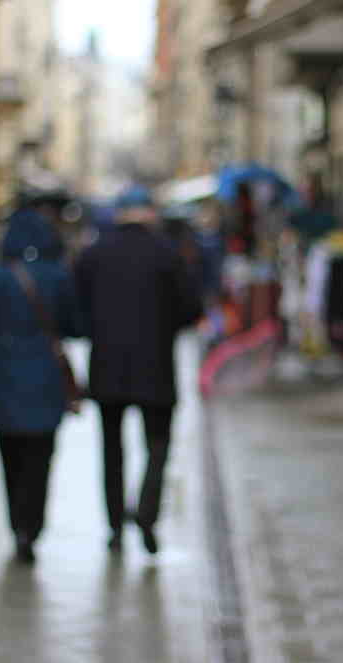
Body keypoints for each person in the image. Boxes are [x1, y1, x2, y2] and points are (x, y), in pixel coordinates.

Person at [75, 186, 203, 554]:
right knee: (158, 445)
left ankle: (114, 525)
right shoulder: (167, 253)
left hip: (107, 367)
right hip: (156, 367)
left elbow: (77, 310)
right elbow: (191, 309)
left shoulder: (94, 253)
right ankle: (147, 513)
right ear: (150, 213)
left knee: (111, 449)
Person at [0, 207, 80, 564]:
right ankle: (34, 525)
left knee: (11, 462)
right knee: (41, 461)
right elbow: (74, 325)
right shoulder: (58, 276)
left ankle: (18, 528)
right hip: (45, 383)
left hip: (3, 384)